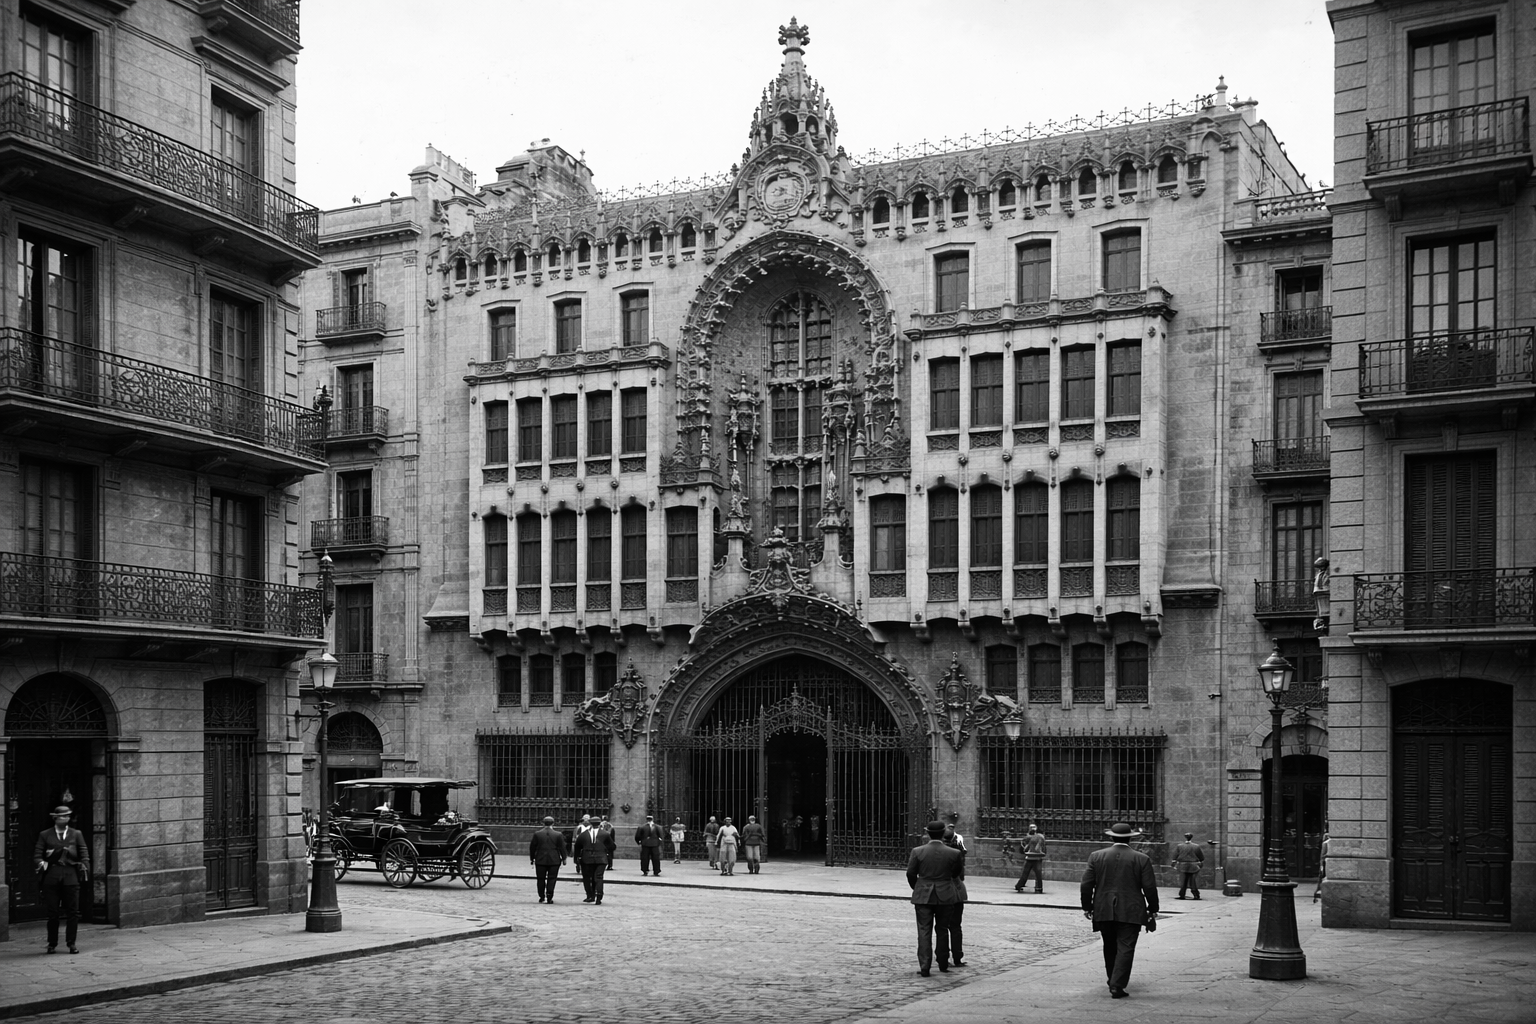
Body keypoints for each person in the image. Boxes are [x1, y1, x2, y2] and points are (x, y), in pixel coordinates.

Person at [1081, 822, 1160, 999]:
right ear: (1130, 838)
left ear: (1111, 837)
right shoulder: (1141, 858)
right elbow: (1149, 887)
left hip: (1104, 908)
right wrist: (1153, 908)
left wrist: (1087, 906)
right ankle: (1117, 985)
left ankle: (1112, 978)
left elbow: (1086, 885)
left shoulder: (1096, 856)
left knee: (1109, 945)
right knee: (1126, 947)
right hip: (1131, 909)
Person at [906, 820, 965, 977]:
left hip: (923, 895)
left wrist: (918, 887)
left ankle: (925, 966)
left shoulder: (917, 851)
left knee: (923, 931)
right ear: (943, 833)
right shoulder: (954, 853)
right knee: (942, 929)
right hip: (945, 893)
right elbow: (956, 873)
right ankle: (943, 962)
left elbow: (911, 873)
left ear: (927, 833)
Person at [33, 805, 89, 954]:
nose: (65, 819)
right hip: (52, 877)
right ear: (55, 818)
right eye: (62, 816)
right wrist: (43, 862)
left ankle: (71, 943)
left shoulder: (76, 834)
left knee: (73, 912)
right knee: (53, 912)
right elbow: (37, 855)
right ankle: (52, 943)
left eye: (67, 816)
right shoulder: (45, 834)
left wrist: (84, 867)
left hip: (71, 876)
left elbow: (84, 854)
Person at [942, 815, 968, 967]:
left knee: (942, 927)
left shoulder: (938, 852)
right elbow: (960, 873)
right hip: (956, 891)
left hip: (942, 892)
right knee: (956, 926)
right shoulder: (957, 852)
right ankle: (957, 956)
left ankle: (943, 958)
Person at [573, 813, 613, 904]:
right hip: (601, 858)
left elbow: (577, 847)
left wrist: (576, 859)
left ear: (590, 823)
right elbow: (612, 846)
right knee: (599, 877)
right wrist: (605, 851)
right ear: (599, 823)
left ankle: (590, 895)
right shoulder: (605, 834)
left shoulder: (583, 835)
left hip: (587, 858)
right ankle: (599, 895)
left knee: (587, 878)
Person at [528, 815, 567, 903]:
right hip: (554, 859)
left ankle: (541, 896)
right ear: (553, 823)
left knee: (540, 879)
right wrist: (564, 858)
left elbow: (532, 847)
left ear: (543, 823)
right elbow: (562, 847)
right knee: (552, 878)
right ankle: (549, 896)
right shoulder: (558, 834)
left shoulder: (537, 834)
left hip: (540, 859)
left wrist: (532, 858)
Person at [1172, 832, 1205, 900]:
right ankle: (1196, 895)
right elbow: (1201, 857)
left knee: (1183, 881)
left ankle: (1182, 895)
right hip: (1193, 865)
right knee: (1193, 881)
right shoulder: (1196, 846)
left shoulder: (1179, 846)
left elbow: (1175, 856)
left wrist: (1173, 863)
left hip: (1182, 865)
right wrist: (1200, 862)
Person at [1016, 823, 1047, 893]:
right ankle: (1039, 887)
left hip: (1029, 857)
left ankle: (1019, 885)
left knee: (1025, 873)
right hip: (1037, 858)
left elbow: (1025, 847)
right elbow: (1039, 848)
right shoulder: (1041, 837)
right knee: (1038, 874)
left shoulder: (1030, 837)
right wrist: (1042, 853)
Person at [1314, 831, 1330, 903]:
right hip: (1325, 863)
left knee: (1322, 877)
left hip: (1325, 862)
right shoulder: (1326, 843)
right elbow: (1322, 855)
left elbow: (1322, 855)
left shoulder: (1326, 843)